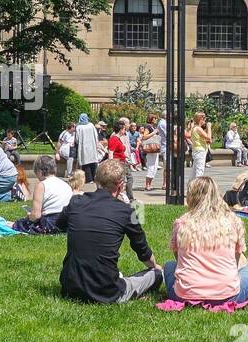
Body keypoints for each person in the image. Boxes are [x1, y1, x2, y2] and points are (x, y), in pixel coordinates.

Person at [56, 159, 162, 304]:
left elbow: (60, 224)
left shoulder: (76, 202)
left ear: (95, 181)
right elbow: (142, 251)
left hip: (70, 287)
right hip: (107, 292)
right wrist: (155, 267)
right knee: (156, 274)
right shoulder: (127, 211)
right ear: (121, 186)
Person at [164, 176, 248, 307]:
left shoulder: (182, 224)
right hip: (227, 295)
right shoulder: (233, 222)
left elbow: (179, 260)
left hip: (184, 295)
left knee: (170, 266)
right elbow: (235, 261)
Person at [13, 155, 73, 234]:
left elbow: (36, 216)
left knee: (20, 224)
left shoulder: (42, 185)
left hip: (51, 224)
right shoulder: (66, 185)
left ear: (40, 172)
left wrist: (29, 216)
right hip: (67, 223)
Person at [73, 113, 101, 184]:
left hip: (83, 147)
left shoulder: (79, 127)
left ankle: (89, 179)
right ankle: (94, 177)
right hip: (92, 146)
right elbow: (96, 135)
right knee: (93, 162)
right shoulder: (91, 125)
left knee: (85, 163)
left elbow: (77, 139)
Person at [139, 121, 162, 193]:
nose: (156, 120)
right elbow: (144, 136)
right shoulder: (148, 127)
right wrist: (153, 133)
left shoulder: (153, 127)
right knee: (151, 167)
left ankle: (149, 184)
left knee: (154, 167)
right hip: (150, 149)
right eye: (155, 118)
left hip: (155, 150)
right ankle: (147, 185)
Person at [188, 112, 212, 178]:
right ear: (201, 119)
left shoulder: (195, 128)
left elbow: (207, 139)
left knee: (194, 171)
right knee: (199, 171)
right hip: (200, 151)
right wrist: (209, 127)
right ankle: (198, 187)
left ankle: (192, 185)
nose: (205, 121)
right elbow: (209, 137)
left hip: (197, 151)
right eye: (204, 119)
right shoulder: (198, 128)